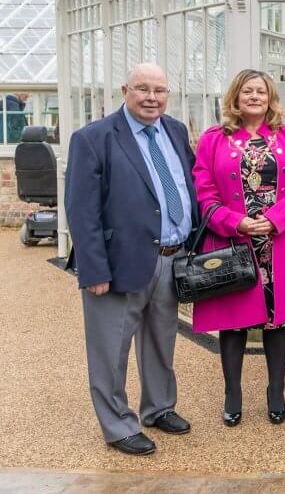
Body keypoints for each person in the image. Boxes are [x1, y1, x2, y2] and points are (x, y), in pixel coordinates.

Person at [65, 63, 196, 455]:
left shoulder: (175, 130)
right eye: (142, 89)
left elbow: (186, 185)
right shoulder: (94, 138)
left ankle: (158, 407)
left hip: (171, 257)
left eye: (159, 90)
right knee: (111, 349)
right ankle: (118, 425)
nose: (151, 97)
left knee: (161, 341)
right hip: (118, 262)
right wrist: (93, 269)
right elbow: (81, 209)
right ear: (125, 90)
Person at [191, 69, 285, 426]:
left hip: (277, 243)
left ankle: (276, 392)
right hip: (233, 241)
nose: (254, 97)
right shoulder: (214, 139)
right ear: (235, 96)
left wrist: (276, 218)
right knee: (232, 324)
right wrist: (236, 222)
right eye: (247, 91)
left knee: (275, 322)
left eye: (260, 92)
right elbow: (204, 194)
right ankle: (232, 394)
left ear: (270, 97)